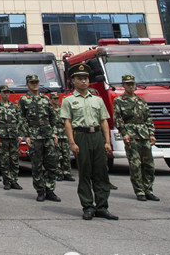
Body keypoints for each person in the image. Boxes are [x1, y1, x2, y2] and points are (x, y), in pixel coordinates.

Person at [61, 63, 116, 221]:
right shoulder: (69, 100)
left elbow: (104, 121)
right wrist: (72, 142)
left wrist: (107, 141)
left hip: (97, 135)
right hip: (82, 136)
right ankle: (88, 207)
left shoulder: (97, 100)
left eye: (85, 78)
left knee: (101, 173)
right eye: (80, 79)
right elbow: (68, 122)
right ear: (73, 81)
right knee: (85, 172)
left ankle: (102, 207)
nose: (84, 81)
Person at [113, 74, 159, 202]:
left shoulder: (141, 100)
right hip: (131, 134)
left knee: (149, 164)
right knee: (135, 164)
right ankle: (139, 190)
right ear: (123, 86)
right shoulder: (119, 100)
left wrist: (151, 133)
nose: (131, 86)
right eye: (128, 84)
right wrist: (124, 133)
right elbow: (118, 119)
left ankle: (148, 189)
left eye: (132, 84)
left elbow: (148, 118)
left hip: (143, 134)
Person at [19, 75, 61, 203]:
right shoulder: (24, 100)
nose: (35, 84)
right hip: (34, 135)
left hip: (47, 134)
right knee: (37, 165)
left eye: (36, 82)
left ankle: (50, 190)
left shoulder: (45, 99)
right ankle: (40, 191)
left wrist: (54, 133)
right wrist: (26, 135)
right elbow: (22, 118)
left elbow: (53, 117)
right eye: (32, 82)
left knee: (51, 164)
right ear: (27, 84)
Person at [0, 85, 24, 191]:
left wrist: (20, 134)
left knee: (14, 159)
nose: (6, 94)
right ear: (0, 93)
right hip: (2, 136)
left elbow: (19, 121)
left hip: (13, 136)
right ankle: (7, 181)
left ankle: (14, 180)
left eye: (8, 92)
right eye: (4, 92)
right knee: (4, 160)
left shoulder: (14, 107)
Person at [50, 93, 74, 182]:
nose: (56, 100)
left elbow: (68, 122)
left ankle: (67, 173)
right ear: (51, 99)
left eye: (57, 98)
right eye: (54, 99)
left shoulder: (62, 110)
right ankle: (59, 173)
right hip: (55, 135)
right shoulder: (50, 111)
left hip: (64, 135)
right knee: (56, 155)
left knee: (66, 155)